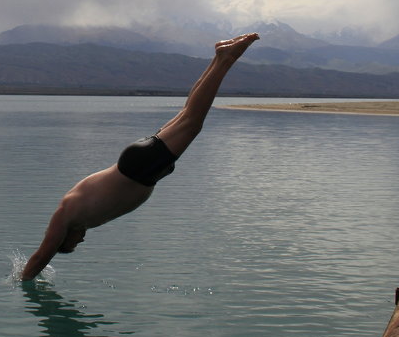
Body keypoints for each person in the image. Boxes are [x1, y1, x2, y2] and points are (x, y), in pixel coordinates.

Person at [20, 33, 260, 281]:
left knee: (192, 122)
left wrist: (23, 280)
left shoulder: (65, 216)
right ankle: (219, 57)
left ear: (62, 238)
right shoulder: (80, 219)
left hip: (138, 168)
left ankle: (226, 59)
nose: (81, 241)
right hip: (144, 169)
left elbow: (41, 257)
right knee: (189, 113)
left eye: (73, 244)